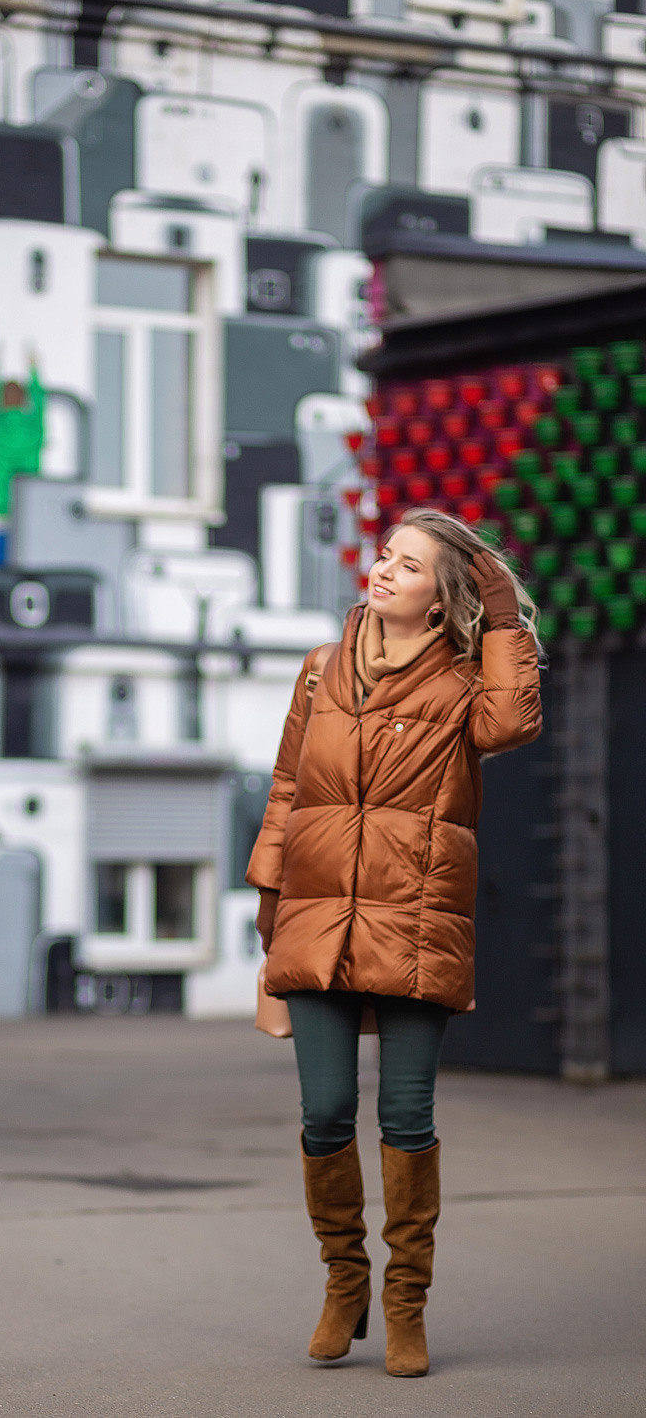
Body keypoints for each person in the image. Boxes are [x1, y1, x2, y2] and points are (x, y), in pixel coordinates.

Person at [246, 507, 543, 1378]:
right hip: (317, 916)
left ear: (443, 599)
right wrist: (270, 908)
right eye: (383, 557)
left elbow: (514, 722)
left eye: (407, 567)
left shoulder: (461, 688)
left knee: (408, 1117)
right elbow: (287, 790)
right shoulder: (318, 672)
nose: (382, 572)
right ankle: (345, 1284)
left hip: (414, 920)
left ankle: (406, 1304)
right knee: (325, 1111)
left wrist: (502, 616)